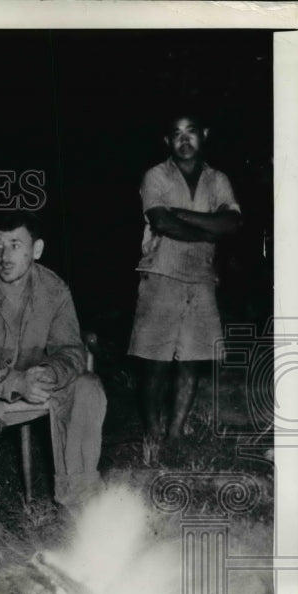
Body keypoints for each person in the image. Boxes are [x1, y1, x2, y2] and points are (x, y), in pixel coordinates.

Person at [0, 212, 106, 541]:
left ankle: (76, 500)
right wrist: (18, 383)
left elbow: (71, 349)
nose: (4, 255)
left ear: (37, 249)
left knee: (88, 386)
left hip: (37, 386)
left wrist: (50, 373)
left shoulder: (54, 289)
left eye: (16, 245)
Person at [128, 112, 242, 442]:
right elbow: (162, 223)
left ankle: (176, 433)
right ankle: (154, 433)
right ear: (167, 141)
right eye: (176, 134)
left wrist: (182, 215)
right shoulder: (155, 176)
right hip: (161, 275)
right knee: (156, 363)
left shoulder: (218, 179)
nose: (184, 139)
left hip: (202, 279)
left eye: (191, 132)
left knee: (192, 361)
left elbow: (233, 223)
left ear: (204, 134)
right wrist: (210, 228)